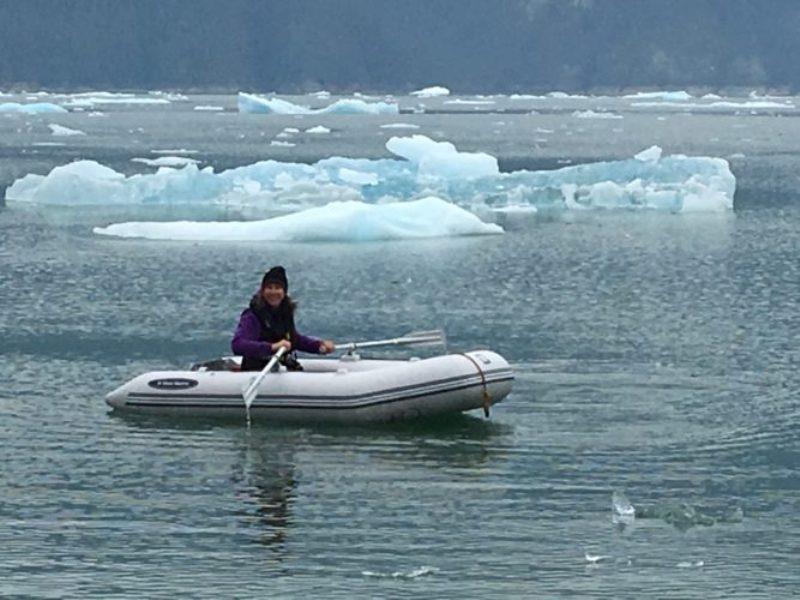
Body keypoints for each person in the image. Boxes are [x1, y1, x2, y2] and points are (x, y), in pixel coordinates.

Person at [232, 266, 335, 371]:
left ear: (284, 291)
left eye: (277, 288)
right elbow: (238, 345)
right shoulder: (252, 316)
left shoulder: (284, 313)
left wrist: (318, 346)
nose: (273, 292)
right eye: (269, 287)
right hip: (258, 370)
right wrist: (272, 347)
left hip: (280, 367)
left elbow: (294, 340)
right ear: (263, 291)